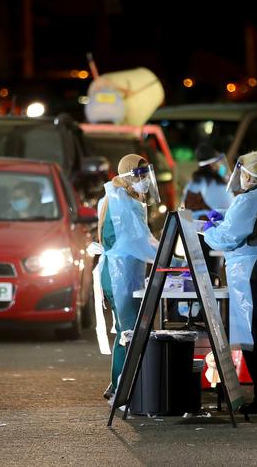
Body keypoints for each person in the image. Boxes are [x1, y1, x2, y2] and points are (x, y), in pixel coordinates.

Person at [204, 151, 257, 414]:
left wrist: (208, 231)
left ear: (246, 174)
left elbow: (226, 238)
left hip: (253, 271)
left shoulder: (249, 200)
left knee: (255, 336)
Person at [97, 154, 161, 402]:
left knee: (128, 330)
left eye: (146, 176)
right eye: (140, 176)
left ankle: (121, 386)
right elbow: (138, 241)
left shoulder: (119, 196)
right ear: (127, 176)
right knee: (130, 333)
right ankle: (122, 389)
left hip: (122, 273)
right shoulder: (120, 201)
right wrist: (171, 258)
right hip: (118, 274)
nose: (144, 181)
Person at [181, 143, 233, 218]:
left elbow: (184, 211)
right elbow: (230, 212)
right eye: (218, 161)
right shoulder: (219, 185)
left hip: (190, 227)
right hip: (213, 227)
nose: (221, 165)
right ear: (212, 165)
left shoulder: (191, 184)